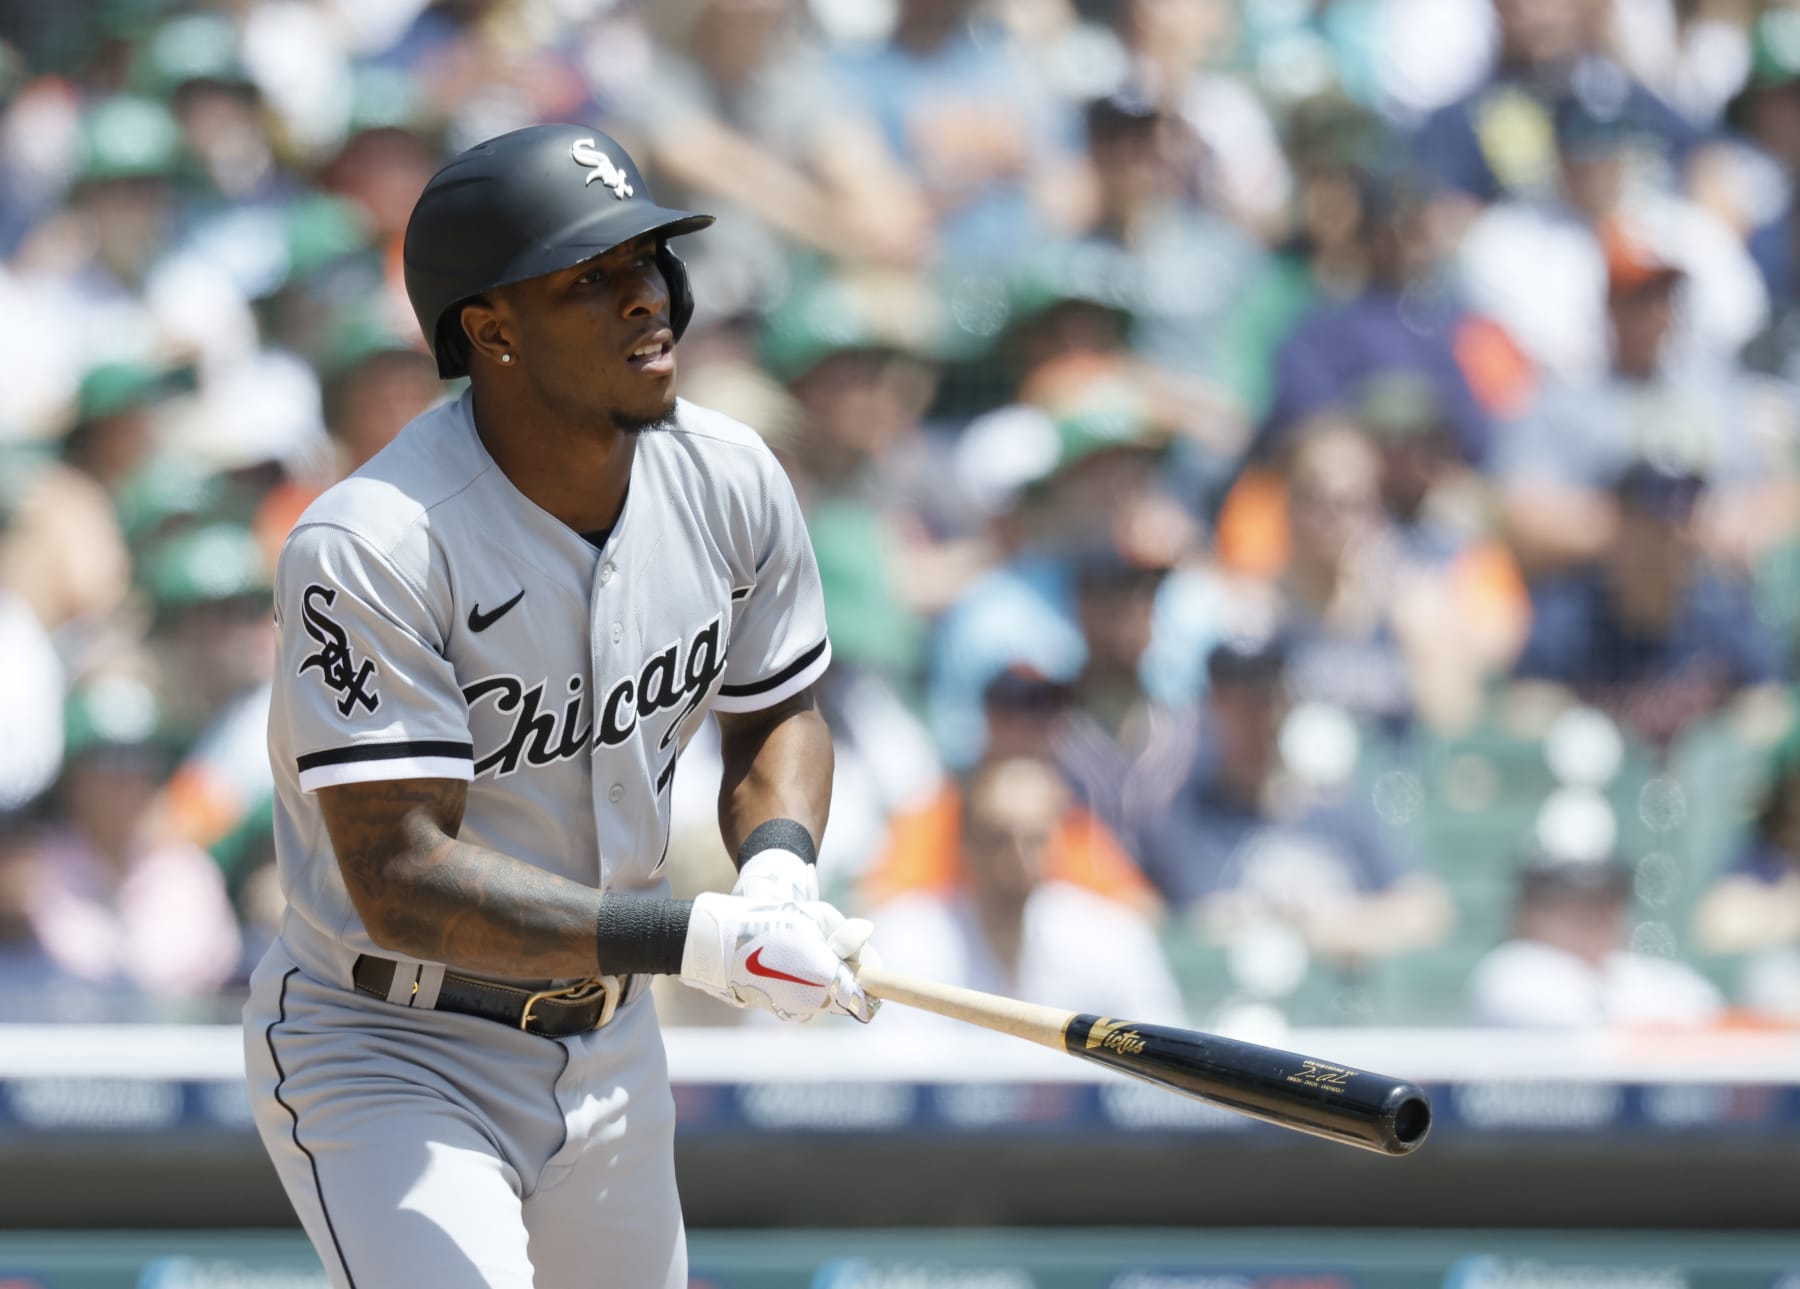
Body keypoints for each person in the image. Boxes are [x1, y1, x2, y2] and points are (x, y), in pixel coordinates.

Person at [241, 124, 877, 1289]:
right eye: (592, 279)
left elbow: (779, 710)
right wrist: (694, 935)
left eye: (649, 262)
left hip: (614, 1041)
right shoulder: (374, 542)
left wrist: (778, 866)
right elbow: (403, 878)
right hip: (394, 1041)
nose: (647, 299)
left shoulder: (730, 475)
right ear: (489, 329)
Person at [867, 753, 1183, 1028]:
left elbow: (1157, 1063)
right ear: (965, 841)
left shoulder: (1111, 938)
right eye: (998, 838)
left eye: (1035, 839)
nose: (1018, 858)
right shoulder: (906, 941)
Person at [1468, 848, 1723, 1028]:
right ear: (1528, 913)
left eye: (1606, 897)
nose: (1595, 914)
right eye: (1571, 900)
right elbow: (1578, 1030)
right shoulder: (1508, 972)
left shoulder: (1631, 973)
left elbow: (1709, 1010)